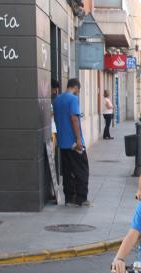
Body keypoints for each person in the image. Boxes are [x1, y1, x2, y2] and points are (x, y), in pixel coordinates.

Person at [53, 78, 90, 207]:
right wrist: (78, 139)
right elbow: (74, 119)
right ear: (76, 88)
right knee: (82, 169)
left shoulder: (57, 99)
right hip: (74, 144)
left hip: (62, 143)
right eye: (78, 91)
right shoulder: (73, 99)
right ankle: (81, 198)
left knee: (67, 171)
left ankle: (69, 198)